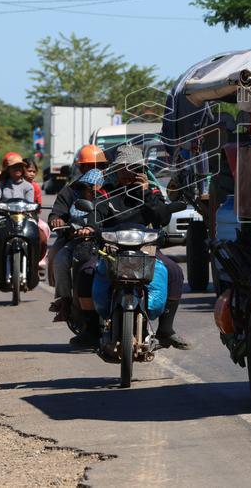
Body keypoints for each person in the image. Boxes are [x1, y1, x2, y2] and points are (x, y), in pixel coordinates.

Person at [93, 144, 191, 352]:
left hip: (146, 248)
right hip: (112, 248)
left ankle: (165, 329)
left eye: (134, 168)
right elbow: (95, 218)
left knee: (174, 272)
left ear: (142, 170)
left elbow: (162, 218)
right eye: (123, 168)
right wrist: (90, 229)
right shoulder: (105, 191)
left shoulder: (152, 191)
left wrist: (146, 193)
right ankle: (90, 328)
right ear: (115, 170)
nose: (128, 173)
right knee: (87, 271)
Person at [46, 144, 109, 313]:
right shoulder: (70, 191)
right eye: (88, 167)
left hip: (108, 240)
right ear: (81, 168)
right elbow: (56, 213)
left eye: (98, 167)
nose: (93, 171)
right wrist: (57, 220)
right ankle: (65, 300)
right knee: (58, 259)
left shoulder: (112, 190)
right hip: (75, 238)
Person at [0, 152, 37, 279]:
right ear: (8, 170)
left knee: (38, 234)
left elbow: (30, 204)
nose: (17, 169)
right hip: (3, 219)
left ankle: (36, 264)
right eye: (14, 167)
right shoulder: (2, 184)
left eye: (20, 166)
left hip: (24, 219)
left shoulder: (28, 186)